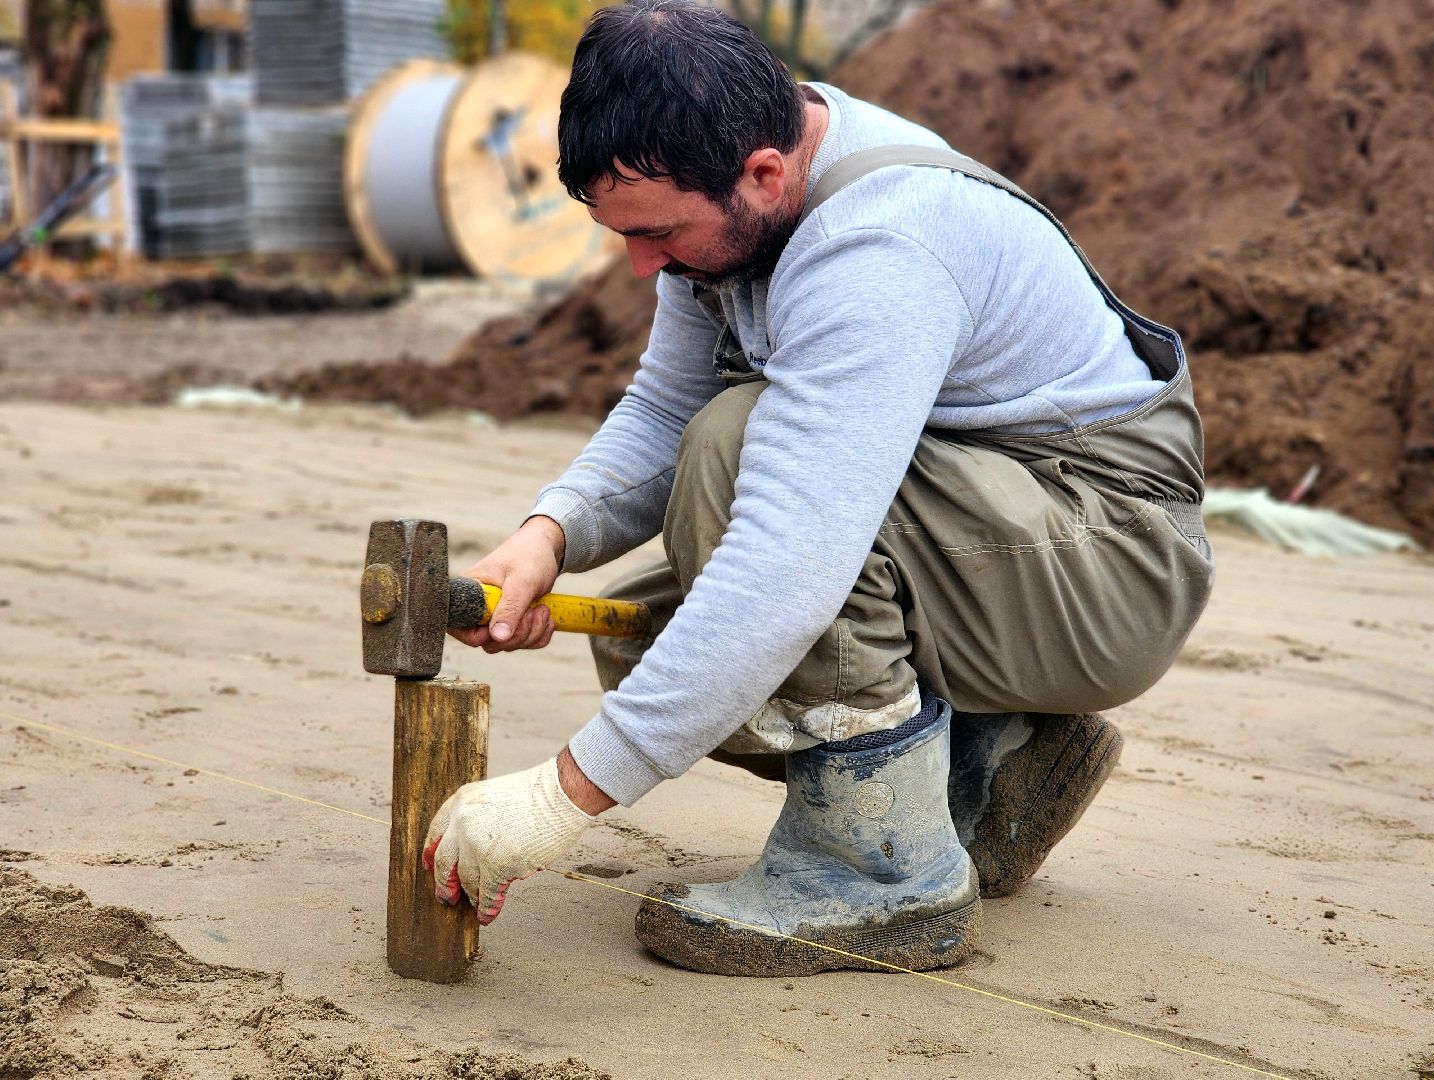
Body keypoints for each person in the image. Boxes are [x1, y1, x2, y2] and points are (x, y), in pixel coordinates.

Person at [421, 0, 1214, 977]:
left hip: (1114, 557)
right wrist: (549, 535)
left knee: (737, 461)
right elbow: (667, 405)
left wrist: (561, 797)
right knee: (657, 644)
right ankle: (997, 766)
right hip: (1015, 538)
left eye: (659, 234)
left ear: (761, 172)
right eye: (622, 234)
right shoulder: (739, 170)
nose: (640, 265)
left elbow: (786, 560)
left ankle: (879, 877)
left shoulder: (880, 248)